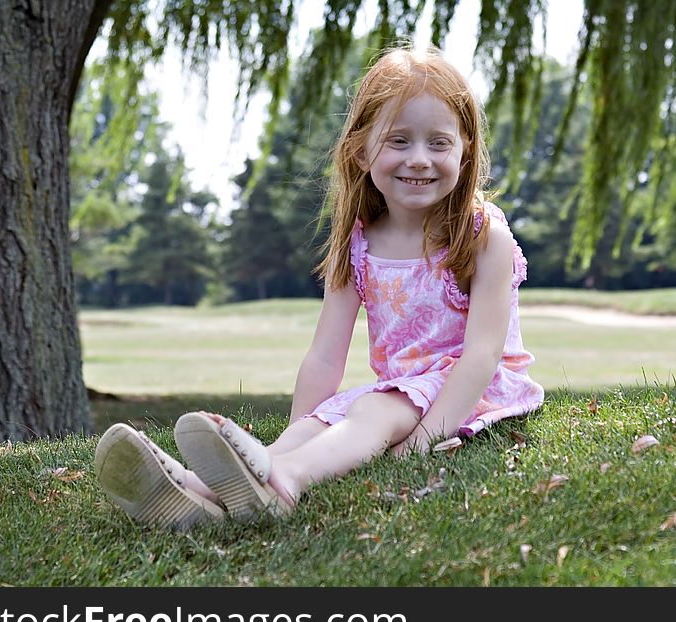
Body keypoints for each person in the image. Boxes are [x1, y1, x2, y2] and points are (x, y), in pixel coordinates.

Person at [94, 46, 545, 530]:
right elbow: (326, 356)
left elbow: (481, 356)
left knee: (371, 407)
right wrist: (301, 430)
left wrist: (422, 443)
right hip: (401, 392)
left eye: (438, 143)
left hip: (474, 394)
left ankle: (283, 482)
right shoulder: (361, 240)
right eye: (398, 140)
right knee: (328, 416)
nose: (419, 159)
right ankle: (200, 492)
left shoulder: (483, 237)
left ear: (466, 150)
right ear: (361, 147)